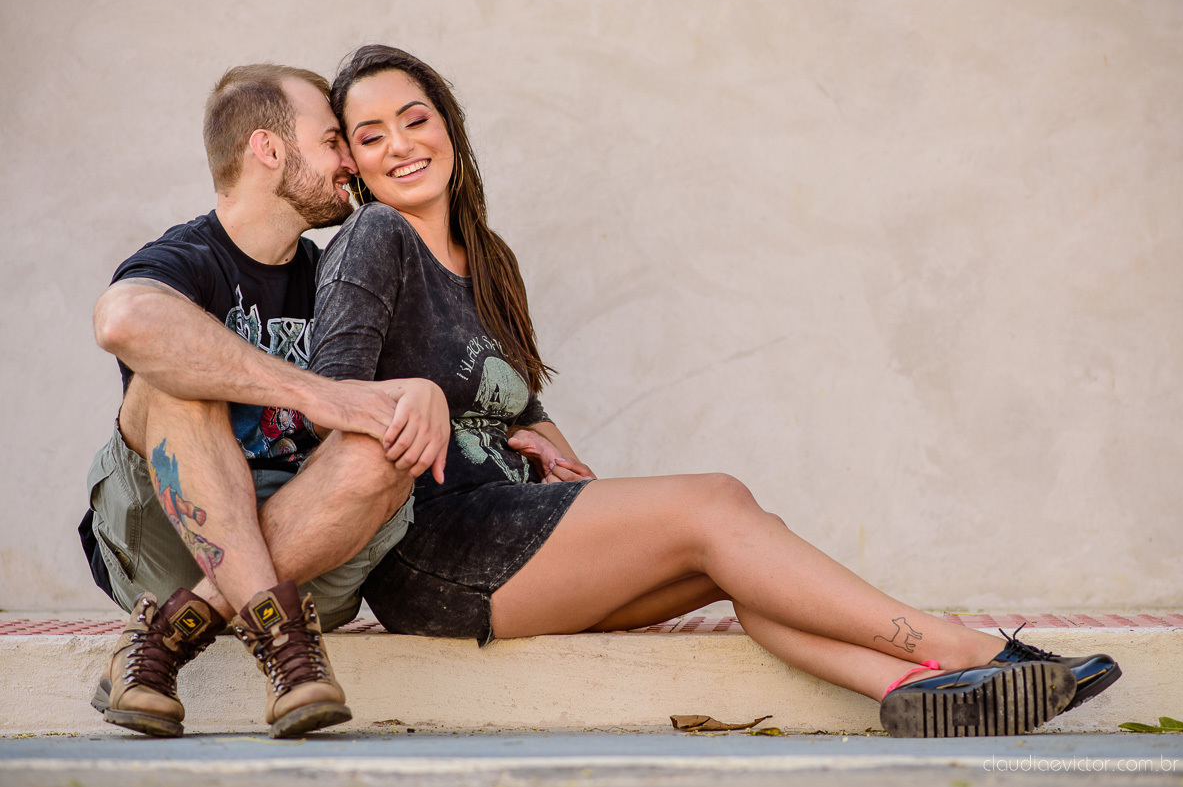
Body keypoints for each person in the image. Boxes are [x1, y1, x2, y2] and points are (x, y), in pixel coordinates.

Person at [309, 45, 1120, 738]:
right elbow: (333, 399)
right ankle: (971, 649)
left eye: (415, 119)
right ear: (354, 160)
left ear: (448, 124)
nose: (401, 145)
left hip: (516, 527)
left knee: (745, 553)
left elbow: (523, 405)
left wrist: (562, 459)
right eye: (371, 135)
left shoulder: (490, 259)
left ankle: (905, 690)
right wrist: (420, 403)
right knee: (719, 501)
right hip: (432, 548)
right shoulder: (376, 239)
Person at [80, 63, 450, 739]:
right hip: (167, 537)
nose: (351, 161)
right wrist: (316, 393)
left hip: (315, 551)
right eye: (335, 139)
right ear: (269, 149)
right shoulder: (187, 258)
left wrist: (422, 394)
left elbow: (389, 410)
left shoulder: (339, 274)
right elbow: (122, 321)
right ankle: (288, 650)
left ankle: (164, 639)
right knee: (174, 377)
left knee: (387, 445)